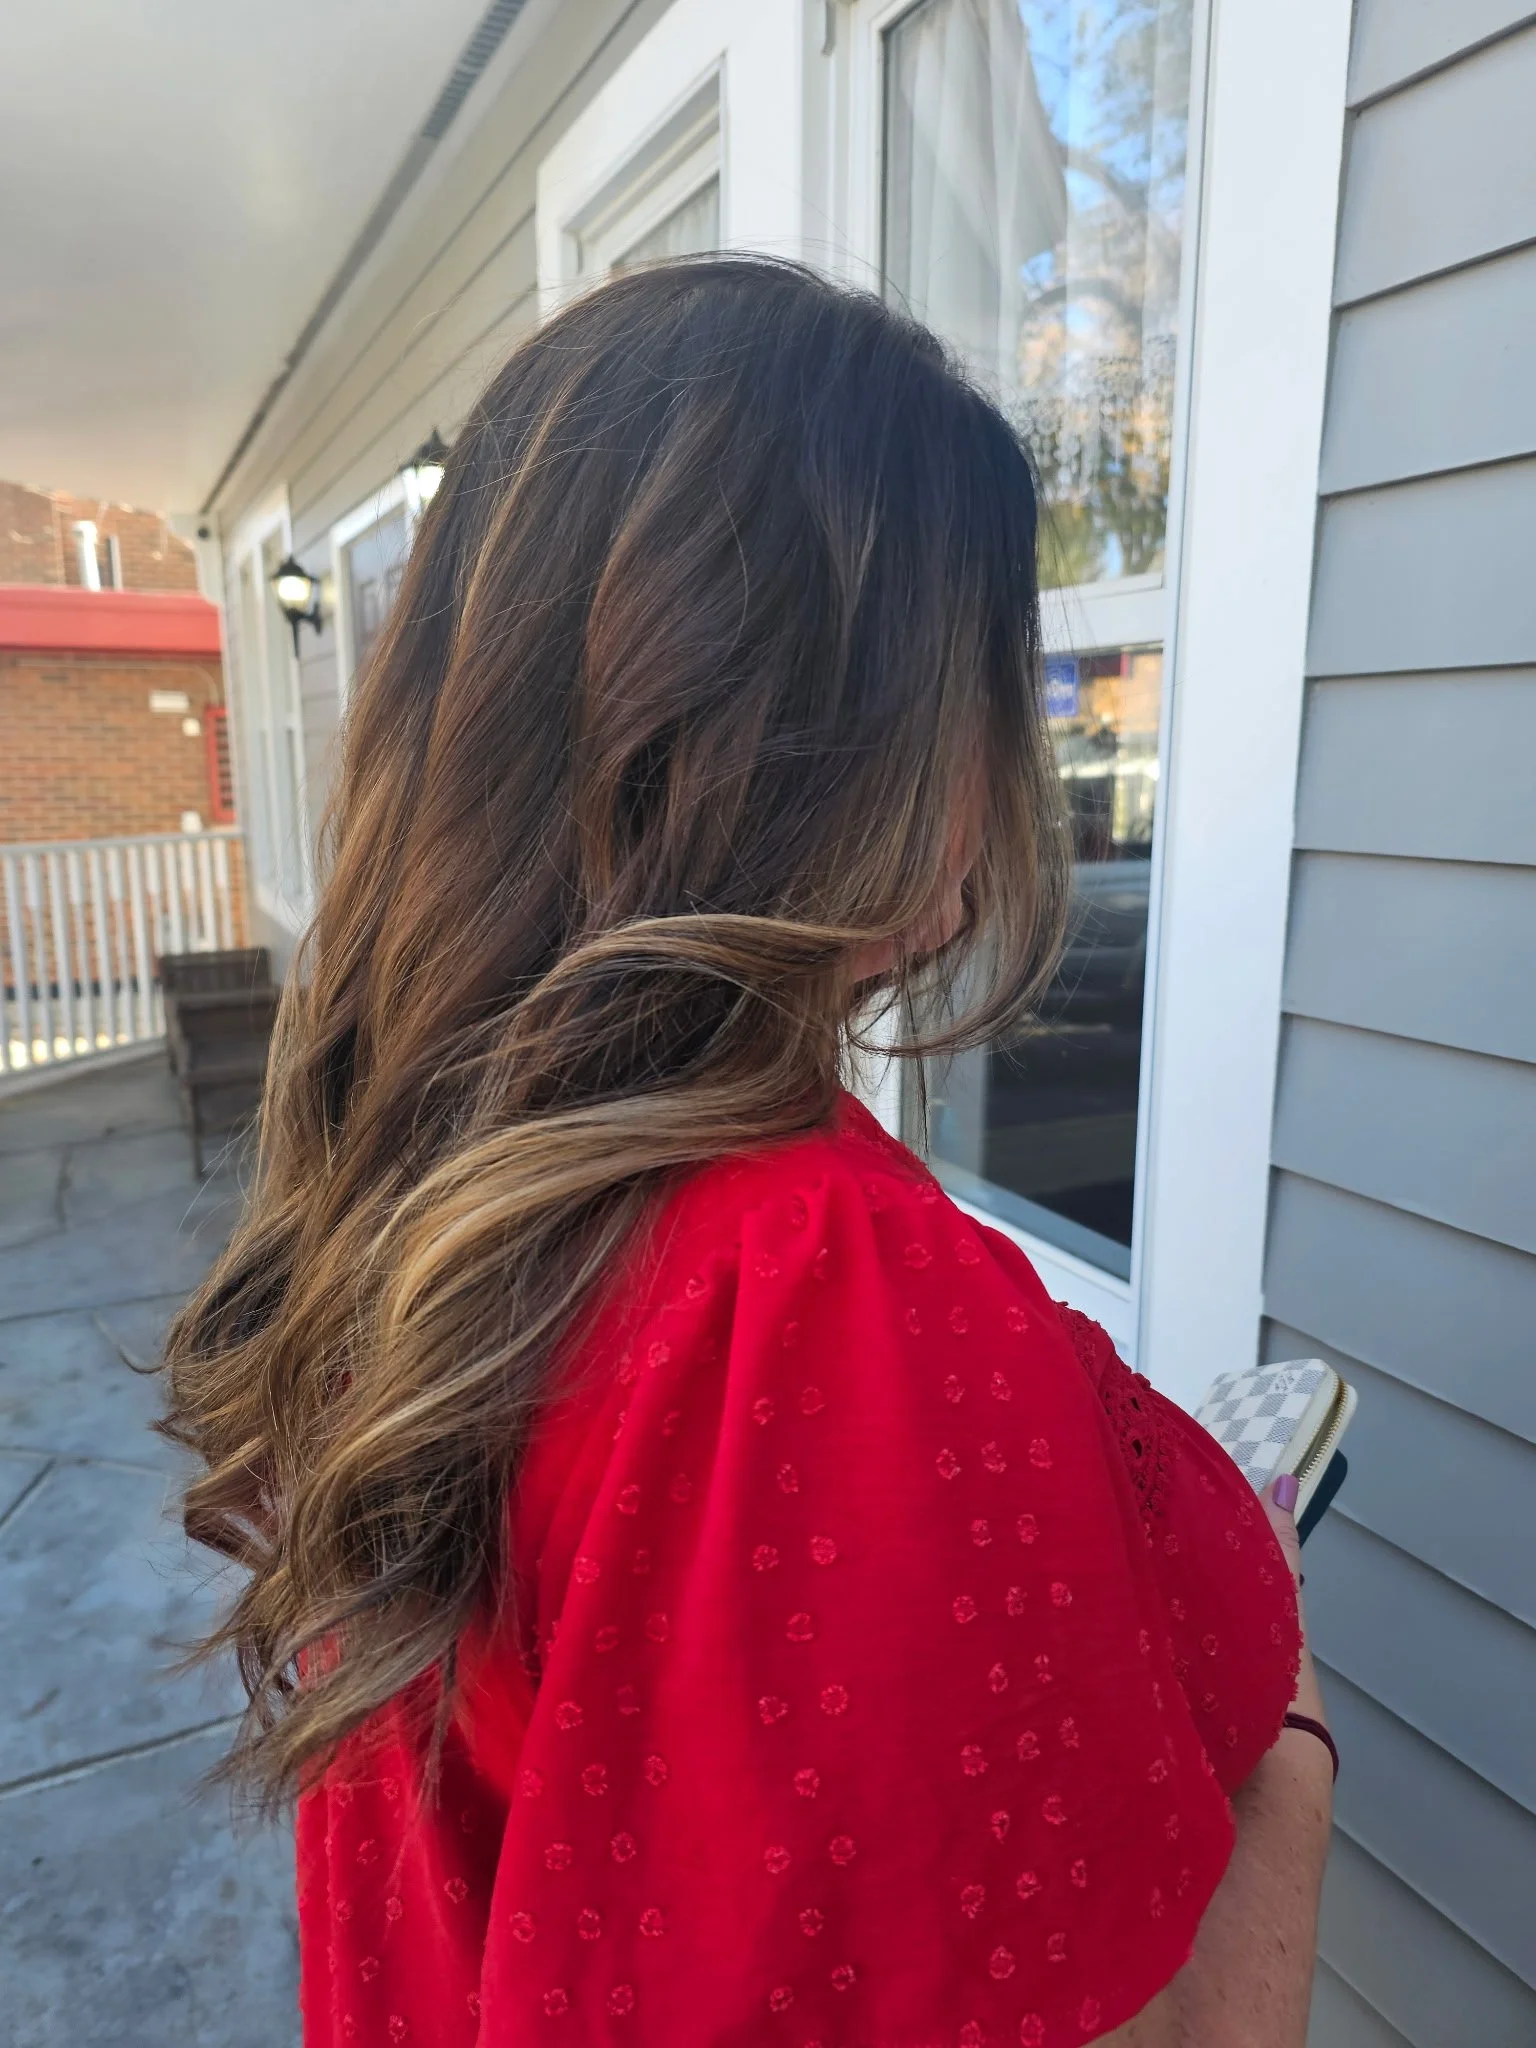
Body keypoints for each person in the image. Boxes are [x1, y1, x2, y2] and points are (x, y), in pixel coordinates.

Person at [162, 258, 1333, 2047]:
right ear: (849, 747)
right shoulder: (805, 1292)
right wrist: (1296, 1749)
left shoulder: (442, 1188)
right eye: (983, 683)